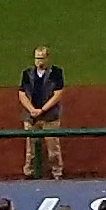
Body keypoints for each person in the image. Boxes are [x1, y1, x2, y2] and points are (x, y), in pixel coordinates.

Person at [16, 48, 65, 182]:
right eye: (37, 58)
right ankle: (29, 172)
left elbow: (58, 94)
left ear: (47, 59)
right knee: (30, 148)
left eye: (42, 58)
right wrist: (32, 109)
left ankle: (56, 172)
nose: (39, 61)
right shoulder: (27, 73)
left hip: (49, 116)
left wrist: (42, 110)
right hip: (31, 117)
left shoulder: (56, 72)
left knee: (53, 147)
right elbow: (22, 94)